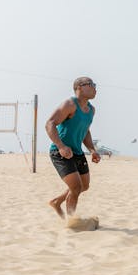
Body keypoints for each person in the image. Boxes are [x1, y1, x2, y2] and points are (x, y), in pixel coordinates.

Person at [45, 76, 101, 219]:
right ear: (80, 87)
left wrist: (92, 150)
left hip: (77, 151)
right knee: (76, 187)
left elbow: (86, 131)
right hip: (61, 152)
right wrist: (61, 146)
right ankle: (71, 221)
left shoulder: (91, 110)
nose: (95, 88)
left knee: (84, 186)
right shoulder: (69, 104)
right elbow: (50, 123)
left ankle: (57, 202)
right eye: (91, 84)